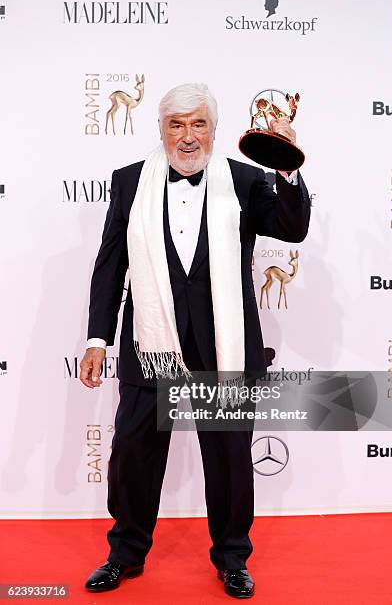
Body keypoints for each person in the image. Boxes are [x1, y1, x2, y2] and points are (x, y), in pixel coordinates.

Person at [80, 83, 311, 598]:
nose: (187, 136)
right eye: (176, 124)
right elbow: (109, 267)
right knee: (134, 454)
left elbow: (292, 232)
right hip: (150, 341)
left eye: (198, 123)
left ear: (214, 127)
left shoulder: (247, 181)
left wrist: (287, 166)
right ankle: (125, 553)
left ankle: (232, 559)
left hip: (222, 345)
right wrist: (98, 337)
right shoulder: (128, 183)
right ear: (160, 129)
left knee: (229, 458)